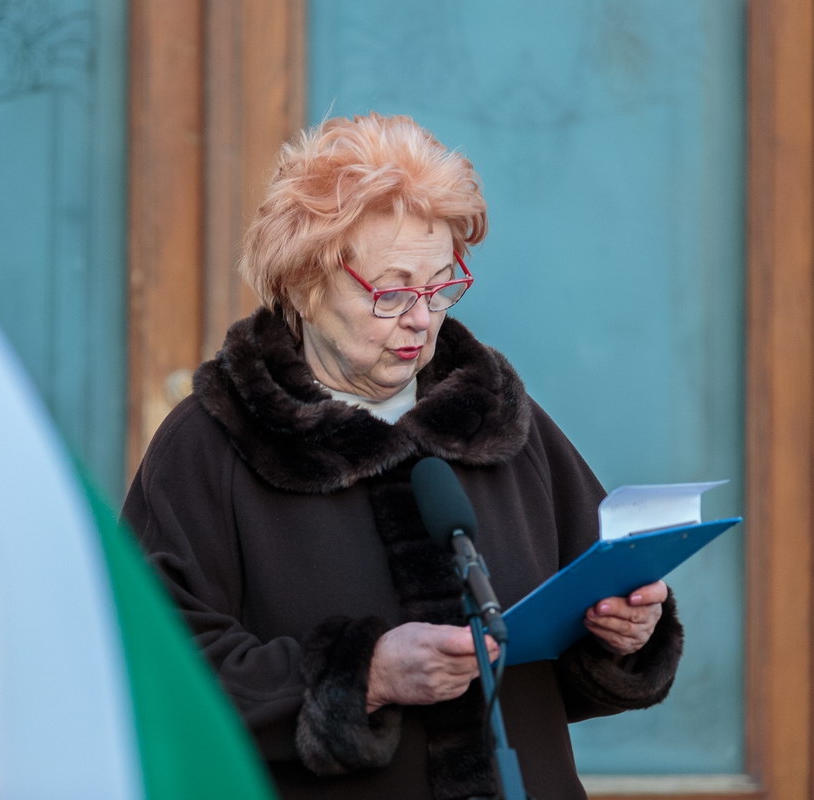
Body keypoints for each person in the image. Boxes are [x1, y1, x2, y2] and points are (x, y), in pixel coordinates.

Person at [121, 112, 683, 800]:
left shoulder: (500, 417)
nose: (421, 317)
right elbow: (154, 668)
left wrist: (624, 632)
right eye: (391, 292)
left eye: (441, 286)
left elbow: (571, 643)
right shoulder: (213, 441)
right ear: (303, 284)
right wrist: (365, 676)